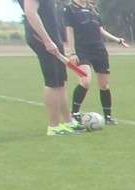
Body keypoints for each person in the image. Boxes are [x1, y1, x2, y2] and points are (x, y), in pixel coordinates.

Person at [18, 0, 84, 136]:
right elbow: (30, 13)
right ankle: (53, 126)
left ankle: (69, 122)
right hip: (42, 38)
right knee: (53, 81)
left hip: (53, 37)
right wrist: (47, 40)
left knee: (61, 81)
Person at [65, 0, 127, 126]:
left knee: (104, 85)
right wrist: (72, 53)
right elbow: (69, 31)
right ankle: (75, 113)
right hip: (81, 50)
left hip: (99, 49)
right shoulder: (70, 9)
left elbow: (101, 30)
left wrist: (118, 40)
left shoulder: (93, 8)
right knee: (85, 81)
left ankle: (108, 116)